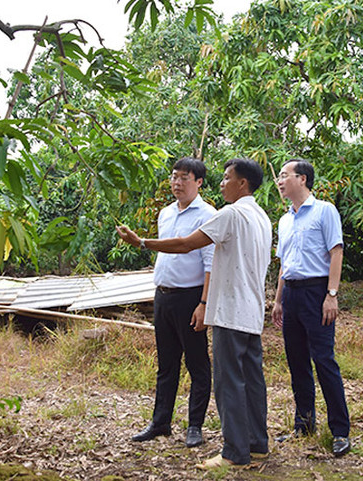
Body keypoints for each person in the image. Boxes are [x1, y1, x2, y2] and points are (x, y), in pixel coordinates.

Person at [117, 158, 272, 469]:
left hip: (230, 310)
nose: (222, 184)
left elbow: (187, 244)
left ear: (242, 183)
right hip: (250, 310)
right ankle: (257, 445)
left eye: (227, 178)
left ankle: (234, 453)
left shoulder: (230, 214)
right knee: (252, 380)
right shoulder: (261, 216)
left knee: (228, 382)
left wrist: (141, 242)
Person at [130, 157, 216, 448]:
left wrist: (203, 303)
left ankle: (195, 426)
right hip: (163, 296)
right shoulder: (165, 213)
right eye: (174, 177)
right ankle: (160, 422)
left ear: (199, 182)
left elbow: (210, 264)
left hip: (190, 297)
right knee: (166, 363)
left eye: (184, 178)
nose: (177, 183)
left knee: (197, 363)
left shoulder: (208, 215)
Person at [271, 159, 351, 457]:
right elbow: (284, 264)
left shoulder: (324, 211)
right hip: (291, 294)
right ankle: (303, 426)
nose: (280, 181)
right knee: (297, 362)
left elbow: (336, 252)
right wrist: (278, 300)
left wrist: (331, 294)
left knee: (324, 360)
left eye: (284, 175)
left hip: (317, 293)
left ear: (302, 179)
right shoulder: (285, 220)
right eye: (279, 176)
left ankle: (340, 431)